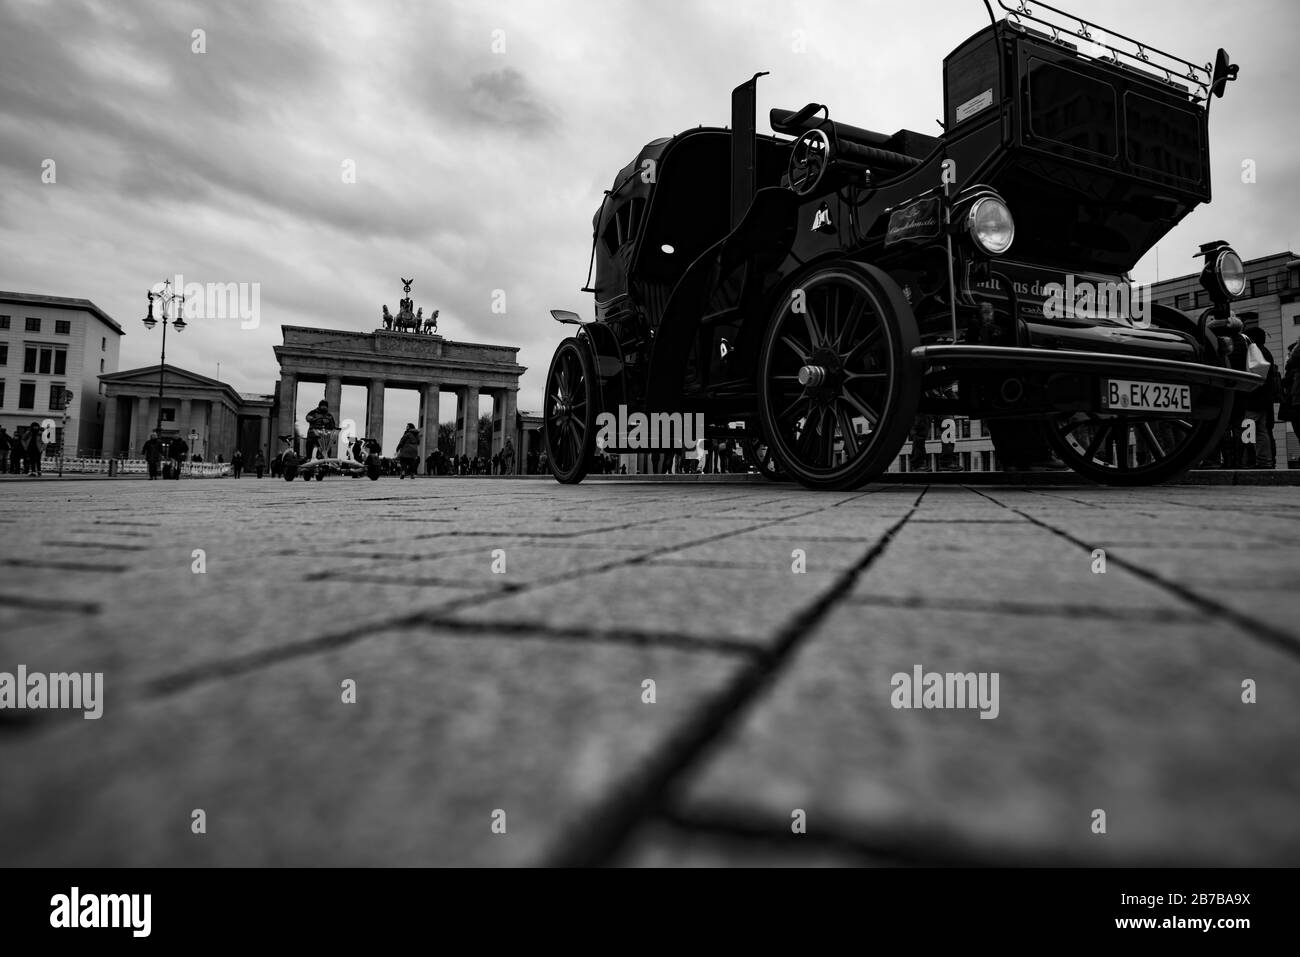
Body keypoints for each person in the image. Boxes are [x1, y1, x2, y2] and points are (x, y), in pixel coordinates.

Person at [1243, 327, 1279, 469]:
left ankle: (1249, 460)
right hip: (1264, 400)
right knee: (1261, 431)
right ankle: (1265, 461)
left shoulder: (1254, 351)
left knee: (1248, 431)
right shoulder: (1266, 352)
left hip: (1252, 399)